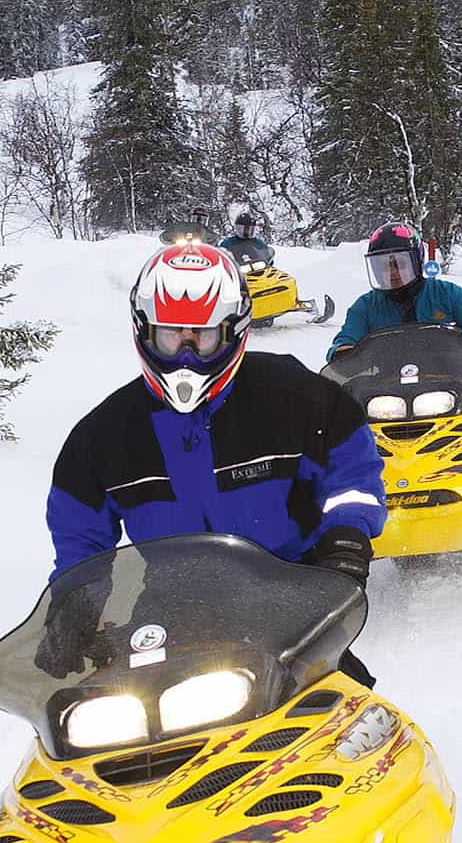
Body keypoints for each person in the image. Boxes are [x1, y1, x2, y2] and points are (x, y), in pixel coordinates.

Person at [47, 242, 385, 645]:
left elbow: (351, 471)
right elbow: (79, 540)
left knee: (346, 700)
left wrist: (346, 537)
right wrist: (73, 611)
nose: (186, 353)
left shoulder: (298, 398)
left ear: (233, 332)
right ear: (144, 331)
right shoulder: (104, 435)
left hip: (298, 598)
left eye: (203, 336)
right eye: (171, 335)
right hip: (171, 616)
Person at [327, 222, 462, 360]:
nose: (392, 273)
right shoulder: (365, 307)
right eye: (383, 266)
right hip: (386, 389)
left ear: (417, 261)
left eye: (400, 263)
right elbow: (347, 337)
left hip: (452, 381)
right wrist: (342, 354)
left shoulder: (449, 295)